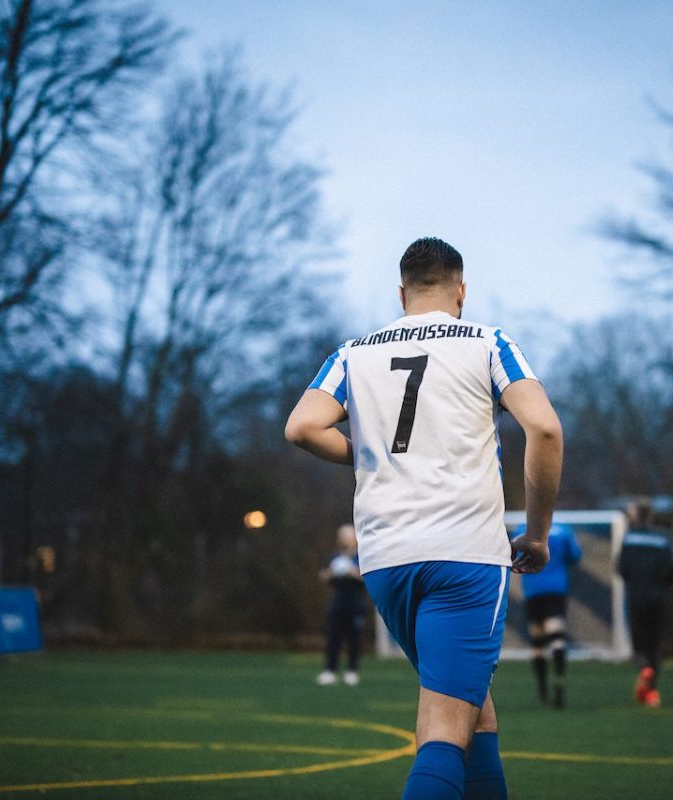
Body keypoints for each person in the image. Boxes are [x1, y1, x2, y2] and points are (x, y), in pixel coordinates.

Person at [285, 237, 563, 800]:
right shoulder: (487, 341)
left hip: (386, 561)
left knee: (473, 713)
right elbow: (546, 429)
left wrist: (367, 457)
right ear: (461, 291)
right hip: (464, 556)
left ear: (401, 292)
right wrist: (535, 534)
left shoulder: (354, 351)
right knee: (443, 727)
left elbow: (301, 427)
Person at [510, 520, 581, 708]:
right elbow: (574, 555)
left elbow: (512, 555)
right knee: (556, 632)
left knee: (537, 638)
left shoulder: (520, 530)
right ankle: (559, 678)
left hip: (533, 589)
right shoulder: (563, 530)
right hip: (557, 587)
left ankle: (542, 688)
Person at [617, 498, 673, 708]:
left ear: (636, 514)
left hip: (636, 597)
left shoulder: (629, 537)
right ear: (651, 514)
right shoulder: (663, 537)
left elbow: (621, 568)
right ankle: (652, 693)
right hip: (658, 598)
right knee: (654, 644)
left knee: (639, 643)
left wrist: (635, 581)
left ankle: (644, 668)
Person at [317, 523, 367, 687]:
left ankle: (352, 671)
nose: (346, 539)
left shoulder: (362, 557)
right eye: (343, 536)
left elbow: (368, 578)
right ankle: (330, 671)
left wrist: (353, 572)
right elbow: (322, 576)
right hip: (337, 603)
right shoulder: (334, 557)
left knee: (354, 639)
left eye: (349, 536)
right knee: (333, 638)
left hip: (356, 603)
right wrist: (333, 572)